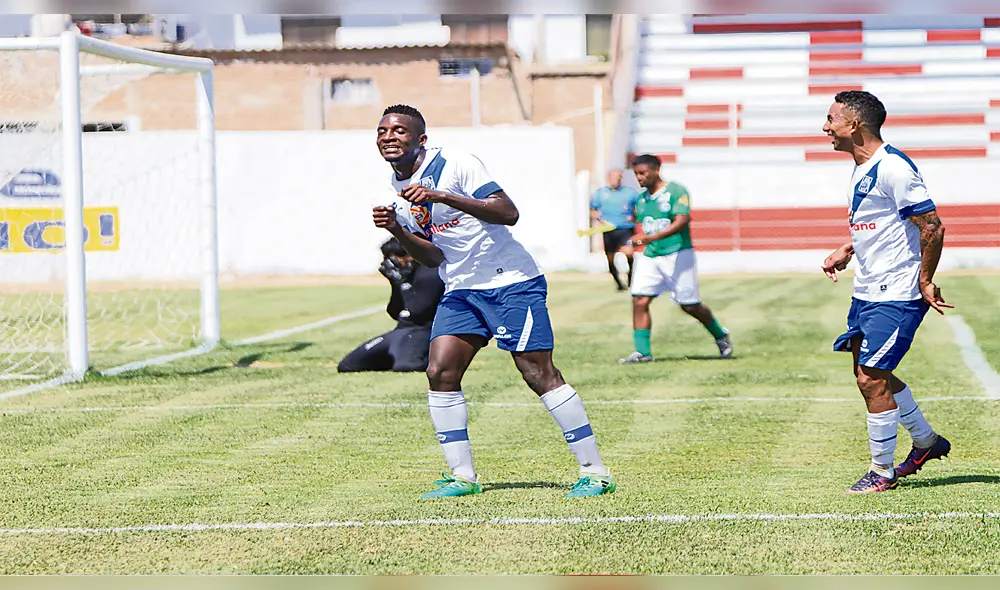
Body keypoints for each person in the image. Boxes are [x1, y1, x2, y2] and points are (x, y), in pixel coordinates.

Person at [371, 104, 616, 499]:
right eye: (383, 131)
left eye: (400, 131)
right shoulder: (391, 193)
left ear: (421, 140)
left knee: (538, 375)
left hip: (512, 283)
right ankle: (462, 478)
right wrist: (397, 229)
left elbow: (508, 212)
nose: (389, 137)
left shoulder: (457, 163)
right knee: (440, 371)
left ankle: (595, 471)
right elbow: (433, 258)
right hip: (462, 289)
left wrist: (439, 195)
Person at [821, 90, 952, 494]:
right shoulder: (863, 168)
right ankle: (927, 442)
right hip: (868, 290)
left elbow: (932, 226)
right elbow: (884, 222)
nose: (826, 127)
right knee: (873, 373)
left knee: (870, 378)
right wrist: (848, 249)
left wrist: (925, 280)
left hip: (897, 291)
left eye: (831, 119)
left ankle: (882, 472)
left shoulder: (893, 168)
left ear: (854, 125)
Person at [620, 153, 733, 364]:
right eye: (636, 174)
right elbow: (644, 223)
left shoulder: (676, 191)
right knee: (639, 299)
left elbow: (681, 221)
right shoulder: (642, 198)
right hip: (650, 256)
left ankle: (720, 335)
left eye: (643, 173)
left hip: (678, 254)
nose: (639, 178)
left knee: (689, 305)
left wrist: (649, 237)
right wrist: (634, 241)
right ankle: (643, 353)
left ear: (656, 170)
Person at [337, 237, 444, 373]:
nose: (393, 262)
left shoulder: (429, 273)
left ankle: (433, 357)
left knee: (407, 367)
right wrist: (395, 284)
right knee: (348, 365)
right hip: (400, 331)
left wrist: (403, 283)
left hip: (421, 332)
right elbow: (395, 312)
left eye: (397, 257)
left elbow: (418, 312)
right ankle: (397, 355)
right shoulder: (406, 274)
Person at [590, 169, 640, 291]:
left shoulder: (630, 193)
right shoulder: (600, 194)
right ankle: (618, 283)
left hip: (625, 229)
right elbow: (592, 211)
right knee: (610, 257)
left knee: (629, 253)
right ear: (608, 178)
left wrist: (634, 217)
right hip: (609, 230)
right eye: (613, 177)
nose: (616, 180)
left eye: (618, 177)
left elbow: (640, 208)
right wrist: (600, 219)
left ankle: (630, 279)